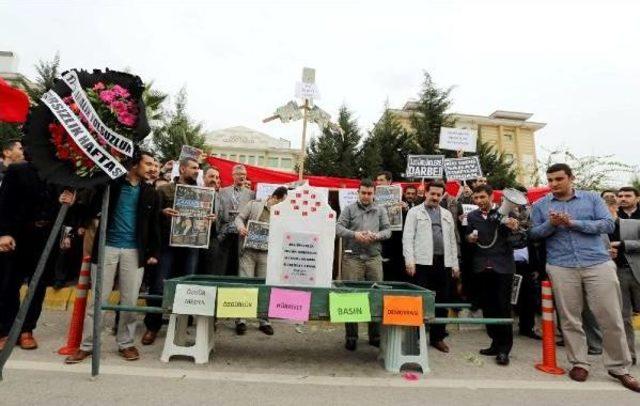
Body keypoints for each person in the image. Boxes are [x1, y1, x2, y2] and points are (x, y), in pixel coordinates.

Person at [529, 163, 639, 392]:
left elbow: (607, 224)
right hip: (561, 265)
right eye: (550, 180)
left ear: (571, 178)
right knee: (570, 319)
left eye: (559, 179)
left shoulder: (591, 199)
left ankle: (619, 367)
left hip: (597, 263)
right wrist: (552, 223)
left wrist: (572, 223)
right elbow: (534, 234)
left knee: (611, 317)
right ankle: (579, 363)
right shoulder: (540, 205)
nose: (554, 184)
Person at [64, 151, 160, 363]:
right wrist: (72, 200)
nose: (152, 168)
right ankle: (87, 345)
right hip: (106, 248)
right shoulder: (110, 185)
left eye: (154, 164)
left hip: (134, 252)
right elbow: (88, 206)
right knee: (98, 299)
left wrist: (152, 253)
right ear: (134, 165)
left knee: (130, 301)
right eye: (148, 163)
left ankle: (126, 343)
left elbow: (153, 226)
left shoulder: (151, 192)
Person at [0, 160, 75, 351]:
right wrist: (4, 233)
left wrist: (69, 202)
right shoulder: (18, 170)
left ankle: (27, 330)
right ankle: (5, 331)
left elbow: (68, 209)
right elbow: (4, 204)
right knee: (8, 284)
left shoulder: (62, 172)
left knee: (39, 285)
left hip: (46, 236)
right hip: (17, 235)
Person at [141, 157, 205, 345]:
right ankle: (152, 326)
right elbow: (151, 217)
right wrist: (162, 213)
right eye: (193, 168)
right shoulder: (164, 190)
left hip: (191, 247)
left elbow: (207, 220)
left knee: (186, 287)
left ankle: (180, 328)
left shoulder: (202, 194)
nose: (196, 171)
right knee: (160, 286)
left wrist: (209, 219)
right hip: (167, 247)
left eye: (198, 168)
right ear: (182, 169)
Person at [465, 184, 519, 366]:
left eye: (482, 197)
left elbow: (517, 239)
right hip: (481, 267)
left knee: (502, 308)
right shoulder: (472, 216)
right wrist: (469, 238)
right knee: (488, 307)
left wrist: (513, 227)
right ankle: (495, 343)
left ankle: (505, 349)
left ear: (491, 196)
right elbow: (467, 236)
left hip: (503, 268)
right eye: (476, 198)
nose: (479, 201)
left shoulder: (508, 214)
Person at [403, 181, 459, 352]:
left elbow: (452, 240)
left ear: (442, 195)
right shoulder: (414, 212)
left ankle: (438, 337)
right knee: (418, 301)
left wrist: (455, 264)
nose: (435, 197)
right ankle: (416, 338)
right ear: (425, 193)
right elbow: (407, 237)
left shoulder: (447, 214)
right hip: (422, 263)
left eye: (438, 195)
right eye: (432, 194)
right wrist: (409, 260)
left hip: (444, 263)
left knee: (442, 301)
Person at [336, 179, 391, 351]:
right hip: (353, 259)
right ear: (358, 193)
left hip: (374, 258)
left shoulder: (381, 210)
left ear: (374, 194)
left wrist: (376, 236)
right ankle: (351, 336)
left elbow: (388, 231)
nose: (366, 196)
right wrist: (355, 234)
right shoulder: (349, 209)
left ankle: (374, 336)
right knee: (351, 297)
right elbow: (337, 228)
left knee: (375, 296)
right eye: (363, 193)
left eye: (369, 193)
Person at [234, 186, 288, 336]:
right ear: (274, 197)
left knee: (264, 286)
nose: (283, 206)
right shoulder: (253, 204)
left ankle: (264, 320)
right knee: (245, 284)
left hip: (267, 254)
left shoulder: (283, 214)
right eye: (282, 202)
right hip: (248, 252)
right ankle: (241, 320)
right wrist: (241, 228)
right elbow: (239, 218)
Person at [610, 186, 640, 365]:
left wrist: (622, 244)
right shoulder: (612, 217)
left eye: (627, 195)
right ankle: (629, 353)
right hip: (619, 271)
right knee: (623, 315)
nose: (623, 198)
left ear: (637, 198)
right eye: (620, 196)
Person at [218, 164, 254, 276]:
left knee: (238, 264)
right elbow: (218, 210)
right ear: (233, 175)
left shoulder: (251, 194)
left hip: (241, 234)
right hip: (225, 232)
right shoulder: (222, 191)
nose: (242, 176)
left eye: (244, 174)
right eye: (239, 174)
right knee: (223, 263)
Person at [198, 166, 224, 275]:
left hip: (213, 239)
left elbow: (223, 219)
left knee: (210, 271)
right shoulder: (195, 193)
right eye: (211, 176)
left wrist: (216, 220)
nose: (214, 179)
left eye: (217, 177)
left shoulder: (220, 198)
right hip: (195, 238)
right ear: (204, 177)